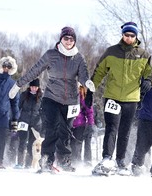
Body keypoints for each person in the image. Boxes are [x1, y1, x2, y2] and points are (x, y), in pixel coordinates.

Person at [8, 26, 95, 173]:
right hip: (52, 97)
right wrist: (18, 84)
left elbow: (83, 76)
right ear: (61, 39)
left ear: (74, 41)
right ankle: (47, 161)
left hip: (71, 101)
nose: (68, 41)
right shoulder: (51, 55)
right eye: (66, 38)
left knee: (66, 132)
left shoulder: (79, 57)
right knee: (52, 128)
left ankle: (64, 160)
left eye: (71, 39)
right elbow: (34, 71)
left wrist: (88, 83)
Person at [88, 21, 152, 176]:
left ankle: (120, 161)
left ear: (136, 37)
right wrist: (91, 90)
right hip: (112, 96)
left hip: (131, 98)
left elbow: (150, 72)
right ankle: (107, 158)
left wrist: (148, 81)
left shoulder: (144, 54)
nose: (129, 38)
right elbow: (99, 72)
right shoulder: (111, 52)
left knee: (124, 131)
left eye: (132, 36)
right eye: (126, 35)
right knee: (111, 128)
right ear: (122, 35)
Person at [14, 78, 43, 169]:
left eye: (35, 87)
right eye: (32, 87)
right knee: (22, 142)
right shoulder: (24, 95)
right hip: (24, 121)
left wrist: (42, 121)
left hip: (35, 124)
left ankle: (28, 163)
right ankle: (19, 162)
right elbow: (18, 107)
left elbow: (43, 111)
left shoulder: (41, 97)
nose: (34, 89)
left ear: (38, 87)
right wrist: (16, 118)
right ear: (29, 87)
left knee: (32, 143)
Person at [70, 85, 95, 167]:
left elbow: (89, 111)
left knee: (77, 145)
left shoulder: (83, 96)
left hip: (80, 124)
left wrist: (91, 124)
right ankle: (70, 162)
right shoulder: (68, 93)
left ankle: (77, 163)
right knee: (70, 145)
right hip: (69, 123)